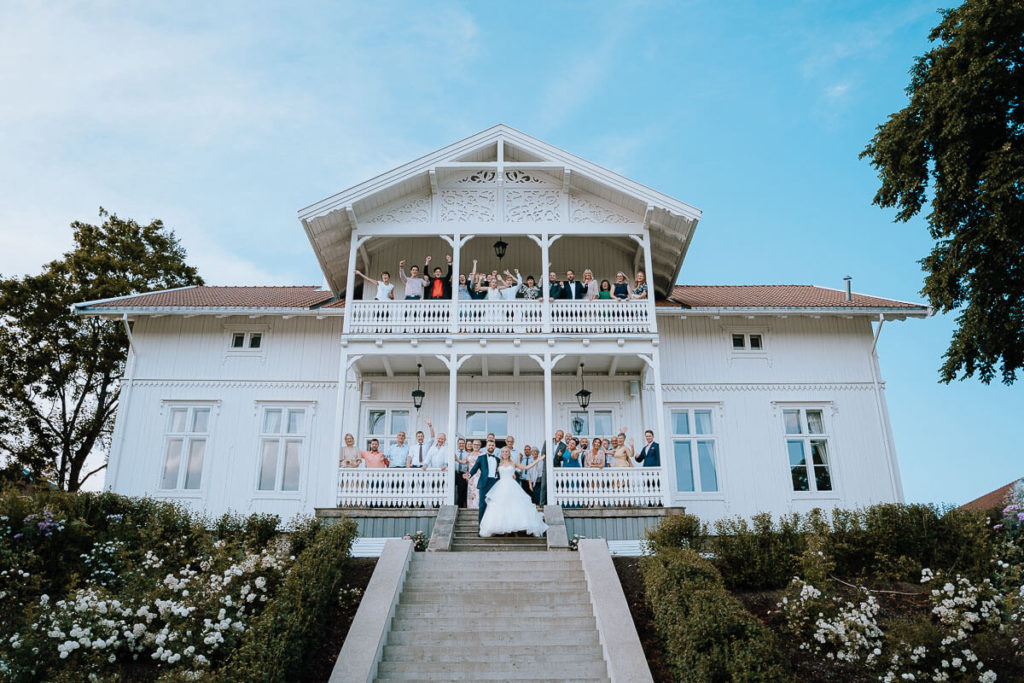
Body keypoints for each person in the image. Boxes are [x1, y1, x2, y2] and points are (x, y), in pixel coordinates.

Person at [477, 446, 547, 538]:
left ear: (509, 453)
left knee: (514, 507)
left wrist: (538, 460)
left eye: (506, 452)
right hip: (501, 487)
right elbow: (488, 469)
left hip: (512, 486)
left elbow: (526, 467)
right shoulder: (498, 462)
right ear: (501, 453)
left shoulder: (513, 463)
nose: (505, 453)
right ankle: (505, 530)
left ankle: (515, 531)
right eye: (503, 452)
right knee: (502, 508)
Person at [465, 439, 501, 523]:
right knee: (482, 505)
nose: (491, 447)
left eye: (492, 445)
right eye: (489, 445)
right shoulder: (481, 457)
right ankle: (480, 527)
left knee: (494, 505)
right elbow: (475, 468)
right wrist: (469, 475)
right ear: (486, 447)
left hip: (494, 483)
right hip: (484, 483)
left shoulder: (498, 459)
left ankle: (492, 525)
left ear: (494, 447)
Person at [465, 440, 482, 509]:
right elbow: (464, 462)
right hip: (471, 475)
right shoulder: (469, 454)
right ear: (472, 445)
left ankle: (477, 506)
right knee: (471, 490)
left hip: (479, 474)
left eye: (478, 445)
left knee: (477, 490)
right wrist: (456, 459)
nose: (476, 446)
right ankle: (471, 507)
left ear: (480, 446)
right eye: (475, 444)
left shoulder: (482, 454)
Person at [453, 437, 470, 507]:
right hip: (454, 473)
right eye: (460, 443)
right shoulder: (453, 453)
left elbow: (469, 465)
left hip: (463, 474)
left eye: (463, 443)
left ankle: (459, 507)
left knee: (461, 491)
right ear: (457, 444)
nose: (461, 445)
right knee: (451, 490)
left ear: (465, 444)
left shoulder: (467, 454)